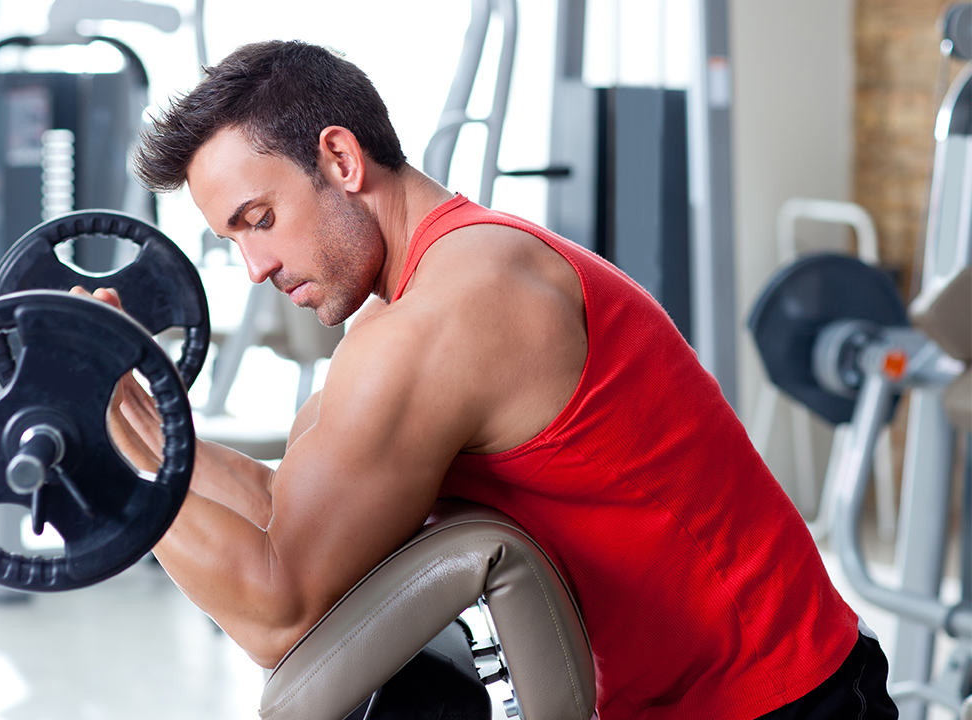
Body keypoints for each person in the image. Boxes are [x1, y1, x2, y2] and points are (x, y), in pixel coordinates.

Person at [85, 39, 898, 719]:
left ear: (339, 157)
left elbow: (279, 612)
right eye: (233, 240)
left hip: (785, 702)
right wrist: (130, 413)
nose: (255, 266)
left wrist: (108, 434)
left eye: (259, 221)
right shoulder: (430, 289)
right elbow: (285, 511)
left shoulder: (452, 316)